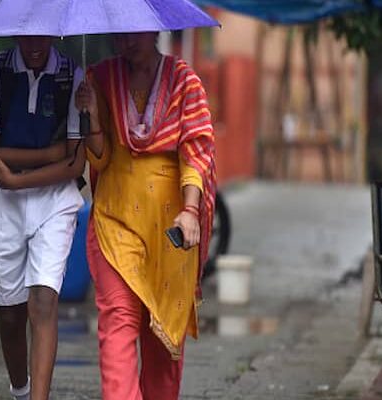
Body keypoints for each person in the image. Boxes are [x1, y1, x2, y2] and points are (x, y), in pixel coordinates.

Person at [74, 32, 216, 399]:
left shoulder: (185, 81)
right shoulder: (100, 78)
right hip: (114, 222)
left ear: (154, 29)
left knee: (163, 340)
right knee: (118, 322)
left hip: (170, 229)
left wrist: (190, 211)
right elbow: (100, 157)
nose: (124, 41)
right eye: (117, 35)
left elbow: (196, 153)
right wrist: (89, 115)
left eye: (132, 33)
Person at [0, 35, 86, 400]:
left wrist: (19, 170)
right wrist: (54, 153)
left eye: (43, 35)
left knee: (43, 300)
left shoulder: (73, 77)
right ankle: (20, 391)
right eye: (27, 34)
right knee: (10, 312)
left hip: (55, 202)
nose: (35, 43)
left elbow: (76, 163)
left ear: (55, 34)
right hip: (3, 203)